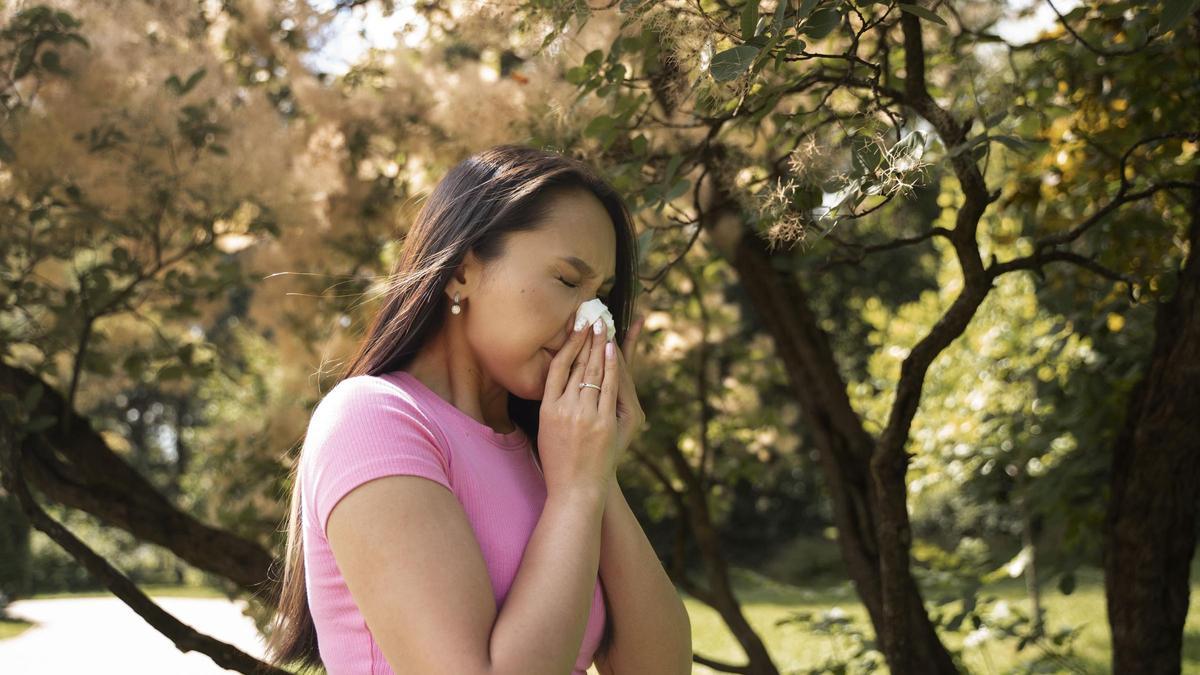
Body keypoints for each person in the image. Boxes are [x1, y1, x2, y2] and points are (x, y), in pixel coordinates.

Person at [264, 144, 686, 674]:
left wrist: (597, 477)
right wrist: (577, 493)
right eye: (567, 280)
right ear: (462, 270)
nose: (590, 321)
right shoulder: (373, 421)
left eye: (599, 294)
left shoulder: (549, 454)